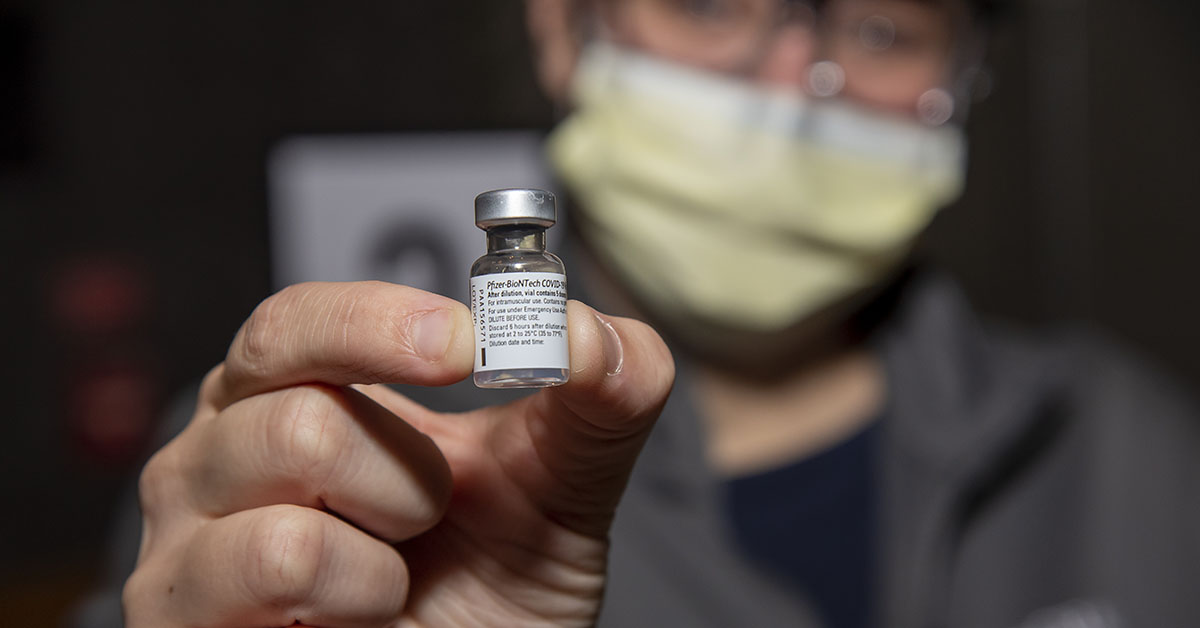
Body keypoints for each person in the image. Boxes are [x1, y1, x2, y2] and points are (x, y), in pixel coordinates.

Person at [109, 0, 1200, 626]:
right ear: (561, 31)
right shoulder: (324, 459)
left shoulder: (1131, 451)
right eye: (713, 0)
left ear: (968, 75)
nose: (790, 82)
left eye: (878, 24)